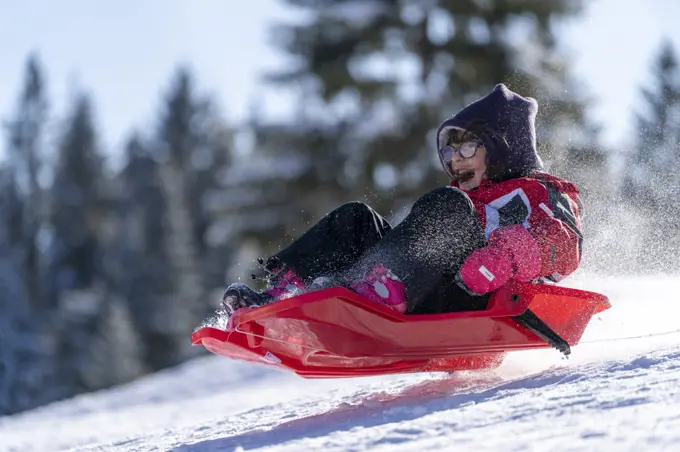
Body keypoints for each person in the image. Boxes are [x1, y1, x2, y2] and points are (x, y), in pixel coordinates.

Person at [220, 83, 583, 317]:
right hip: (421, 289)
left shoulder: (540, 192)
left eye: (468, 146)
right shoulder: (462, 197)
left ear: (503, 148)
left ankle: (375, 291)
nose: (455, 159)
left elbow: (567, 246)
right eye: (450, 151)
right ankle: (286, 293)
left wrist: (504, 256)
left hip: (475, 299)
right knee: (356, 217)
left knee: (449, 205)